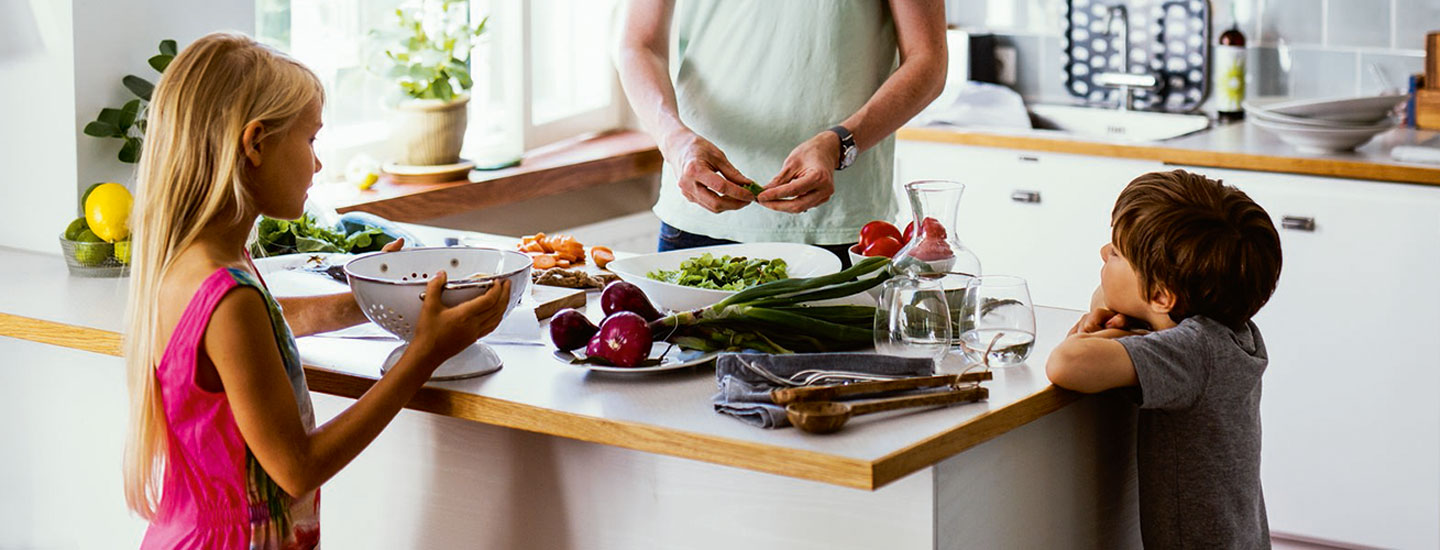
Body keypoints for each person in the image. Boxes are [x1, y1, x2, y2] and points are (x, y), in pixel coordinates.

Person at [122, 32, 511, 549]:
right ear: (256, 143)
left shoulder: (197, 262)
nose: (319, 163)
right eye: (310, 141)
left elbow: (270, 330)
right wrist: (424, 355)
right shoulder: (230, 296)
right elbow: (297, 468)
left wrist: (374, 301)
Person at [1045, 169, 1283, 549]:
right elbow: (1103, 299)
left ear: (1160, 297)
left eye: (1118, 253)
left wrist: (1115, 333)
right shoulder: (1231, 329)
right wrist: (1127, 324)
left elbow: (1065, 364)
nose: (1104, 253)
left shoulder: (1192, 352)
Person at [617, 0, 947, 262]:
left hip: (840, 229)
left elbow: (928, 60)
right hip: (697, 215)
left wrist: (840, 143)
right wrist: (674, 141)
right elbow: (638, 45)